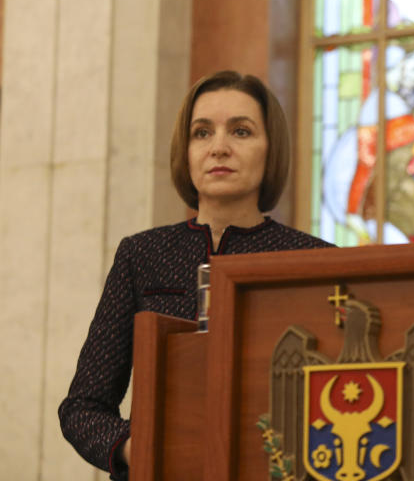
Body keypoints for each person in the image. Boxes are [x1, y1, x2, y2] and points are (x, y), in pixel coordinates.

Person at [59, 71, 333, 480]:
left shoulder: (315, 260)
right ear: (184, 152)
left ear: (270, 150)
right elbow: (83, 407)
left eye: (241, 132)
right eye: (202, 133)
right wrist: (140, 450)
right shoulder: (141, 255)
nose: (219, 147)